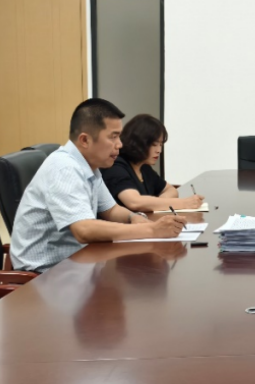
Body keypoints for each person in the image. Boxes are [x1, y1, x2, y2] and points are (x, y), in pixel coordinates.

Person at [10, 98, 185, 273]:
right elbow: (84, 230)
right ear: (85, 140)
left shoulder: (90, 166)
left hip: (77, 263)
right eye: (113, 137)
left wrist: (134, 217)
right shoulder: (65, 168)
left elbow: (111, 210)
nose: (120, 144)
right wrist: (152, 230)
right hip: (45, 275)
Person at [101, 113, 204, 212]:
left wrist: (158, 203)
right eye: (154, 144)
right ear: (138, 143)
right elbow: (134, 202)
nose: (159, 150)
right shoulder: (116, 166)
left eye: (161, 145)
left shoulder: (144, 167)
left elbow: (171, 190)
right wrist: (184, 203)